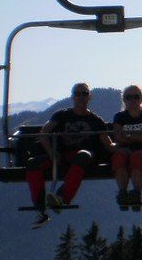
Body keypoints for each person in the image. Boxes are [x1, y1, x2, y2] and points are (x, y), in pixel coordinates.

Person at [26, 83, 113, 229]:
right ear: (72, 97)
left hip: (83, 158)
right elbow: (44, 132)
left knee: (83, 155)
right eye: (77, 94)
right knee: (33, 163)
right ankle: (40, 209)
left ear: (89, 97)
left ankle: (61, 197)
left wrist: (125, 147)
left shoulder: (96, 120)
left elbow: (107, 143)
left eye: (84, 94)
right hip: (61, 156)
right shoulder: (61, 115)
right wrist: (50, 151)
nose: (80, 97)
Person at [111, 85, 142, 212]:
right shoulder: (119, 116)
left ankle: (136, 193)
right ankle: (123, 193)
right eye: (128, 97)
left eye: (136, 96)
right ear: (124, 100)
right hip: (124, 151)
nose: (132, 100)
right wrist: (139, 135)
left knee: (138, 156)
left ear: (141, 99)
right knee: (119, 157)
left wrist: (128, 135)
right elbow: (118, 138)